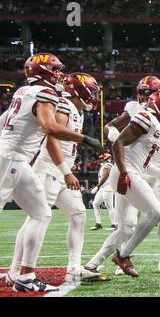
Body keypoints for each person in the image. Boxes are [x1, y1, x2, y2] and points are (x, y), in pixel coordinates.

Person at [0, 53, 102, 292]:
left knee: (43, 214)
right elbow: (49, 129)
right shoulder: (47, 95)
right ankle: (18, 272)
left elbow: (4, 120)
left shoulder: (22, 92)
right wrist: (85, 139)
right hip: (12, 159)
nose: (59, 76)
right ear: (44, 72)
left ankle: (25, 277)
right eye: (55, 71)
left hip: (17, 159)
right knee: (38, 214)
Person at [86, 90, 160, 278]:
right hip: (126, 172)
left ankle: (91, 265)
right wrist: (123, 173)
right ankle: (123, 256)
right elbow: (118, 143)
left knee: (126, 227)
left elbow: (144, 163)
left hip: (131, 171)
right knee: (156, 212)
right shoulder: (146, 117)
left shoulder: (159, 128)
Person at [30, 72, 102, 283]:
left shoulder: (76, 110)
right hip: (50, 170)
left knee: (78, 214)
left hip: (60, 172)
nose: (95, 95)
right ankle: (20, 270)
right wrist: (66, 172)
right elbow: (52, 140)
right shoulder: (65, 105)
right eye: (92, 91)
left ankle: (74, 266)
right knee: (38, 218)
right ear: (81, 90)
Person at [90, 153, 118, 231]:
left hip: (107, 188)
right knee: (95, 204)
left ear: (106, 159)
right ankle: (98, 224)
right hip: (103, 188)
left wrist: (97, 187)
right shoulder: (105, 166)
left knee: (109, 206)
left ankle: (114, 224)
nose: (100, 160)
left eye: (102, 158)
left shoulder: (108, 165)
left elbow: (105, 176)